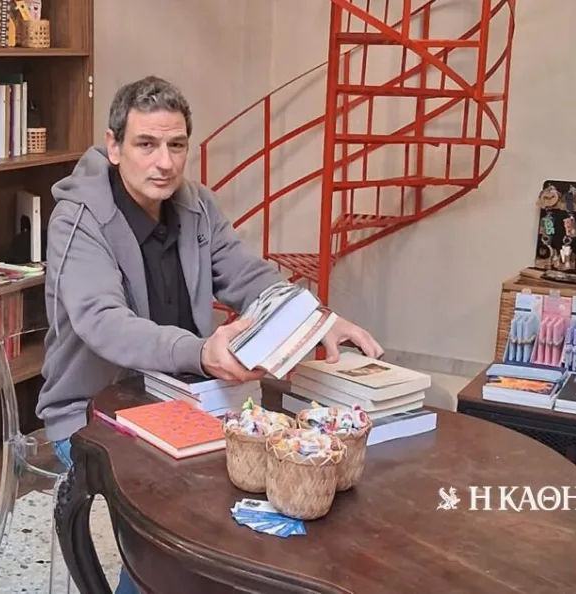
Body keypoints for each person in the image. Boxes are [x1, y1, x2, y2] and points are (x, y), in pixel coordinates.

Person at [39, 76, 383, 593]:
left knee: (271, 469)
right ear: (113, 146)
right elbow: (103, 322)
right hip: (91, 415)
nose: (165, 162)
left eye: (176, 145)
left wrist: (316, 318)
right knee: (174, 511)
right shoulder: (77, 218)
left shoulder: (196, 205)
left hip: (188, 400)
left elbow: (248, 275)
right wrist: (201, 352)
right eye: (146, 144)